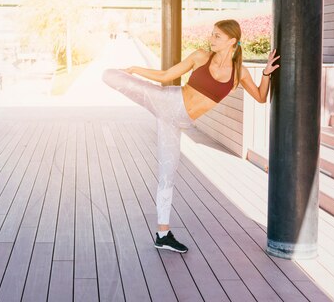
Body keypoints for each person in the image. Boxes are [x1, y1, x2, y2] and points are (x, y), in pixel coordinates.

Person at [103, 19, 280, 253]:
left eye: (217, 36)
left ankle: (162, 234)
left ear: (232, 41)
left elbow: (260, 96)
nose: (212, 38)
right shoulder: (200, 57)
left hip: (174, 123)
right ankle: (117, 77)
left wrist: (266, 73)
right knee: (109, 75)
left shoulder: (239, 72)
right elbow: (166, 75)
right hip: (166, 99)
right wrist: (135, 69)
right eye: (212, 33)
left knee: (167, 175)